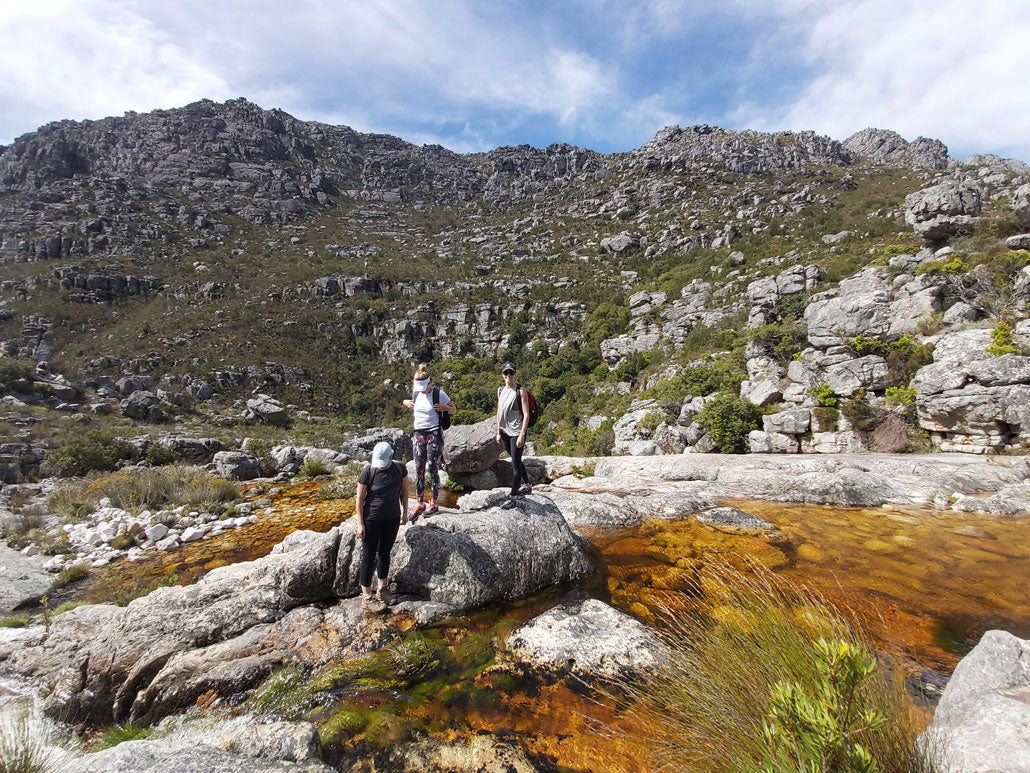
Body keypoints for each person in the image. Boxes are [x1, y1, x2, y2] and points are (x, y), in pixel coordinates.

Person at [355, 441, 408, 611]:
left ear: (390, 457)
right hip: (372, 519)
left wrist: (405, 512)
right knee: (368, 557)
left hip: (392, 518)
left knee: (385, 553)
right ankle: (366, 596)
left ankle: (382, 590)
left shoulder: (400, 469)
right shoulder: (368, 472)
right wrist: (360, 523)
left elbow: (404, 492)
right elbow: (360, 499)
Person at [402, 363, 455, 519]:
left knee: (431, 466)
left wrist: (445, 408)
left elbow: (453, 409)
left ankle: (434, 502)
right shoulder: (417, 393)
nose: (421, 390)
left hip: (434, 432)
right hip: (418, 433)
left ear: (429, 383)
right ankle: (420, 502)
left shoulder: (439, 394)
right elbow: (412, 405)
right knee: (418, 468)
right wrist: (405, 402)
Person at [495, 362, 531, 509]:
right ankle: (527, 485)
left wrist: (522, 434)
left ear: (515, 374)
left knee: (515, 466)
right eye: (506, 373)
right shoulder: (500, 391)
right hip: (504, 432)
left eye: (511, 373)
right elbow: (499, 411)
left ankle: (513, 497)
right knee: (515, 459)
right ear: (503, 375)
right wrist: (498, 431)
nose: (508, 376)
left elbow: (527, 413)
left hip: (516, 432)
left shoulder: (520, 391)